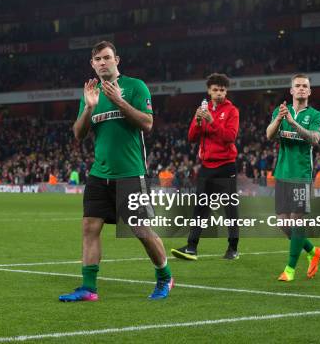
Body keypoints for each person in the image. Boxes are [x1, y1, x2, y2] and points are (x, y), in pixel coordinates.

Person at [59, 41, 173, 302]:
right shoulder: (91, 92)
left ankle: (165, 277)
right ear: (92, 64)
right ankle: (89, 288)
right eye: (97, 59)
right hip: (100, 174)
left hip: (131, 173)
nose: (102, 62)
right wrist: (89, 107)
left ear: (117, 60)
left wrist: (120, 102)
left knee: (141, 230)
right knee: (89, 227)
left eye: (107, 57)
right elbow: (78, 134)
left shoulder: (135, 87)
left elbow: (147, 124)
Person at [171, 73, 240, 260]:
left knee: (230, 209)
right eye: (215, 90)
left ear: (226, 91)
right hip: (207, 166)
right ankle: (191, 247)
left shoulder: (232, 111)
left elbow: (230, 137)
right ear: (209, 91)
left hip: (226, 165)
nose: (219, 93)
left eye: (222, 90)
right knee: (200, 208)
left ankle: (233, 249)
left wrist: (211, 120)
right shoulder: (203, 109)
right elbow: (192, 137)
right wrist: (198, 120)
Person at [265, 73, 320, 282]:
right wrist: (281, 118)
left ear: (309, 91)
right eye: (297, 86)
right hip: (282, 174)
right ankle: (312, 251)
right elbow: (269, 135)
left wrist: (293, 123)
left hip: (301, 175)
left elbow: (315, 139)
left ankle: (289, 270)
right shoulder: (280, 111)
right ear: (291, 90)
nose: (300, 88)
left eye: (304, 86)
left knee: (297, 222)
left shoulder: (316, 115)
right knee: (283, 224)